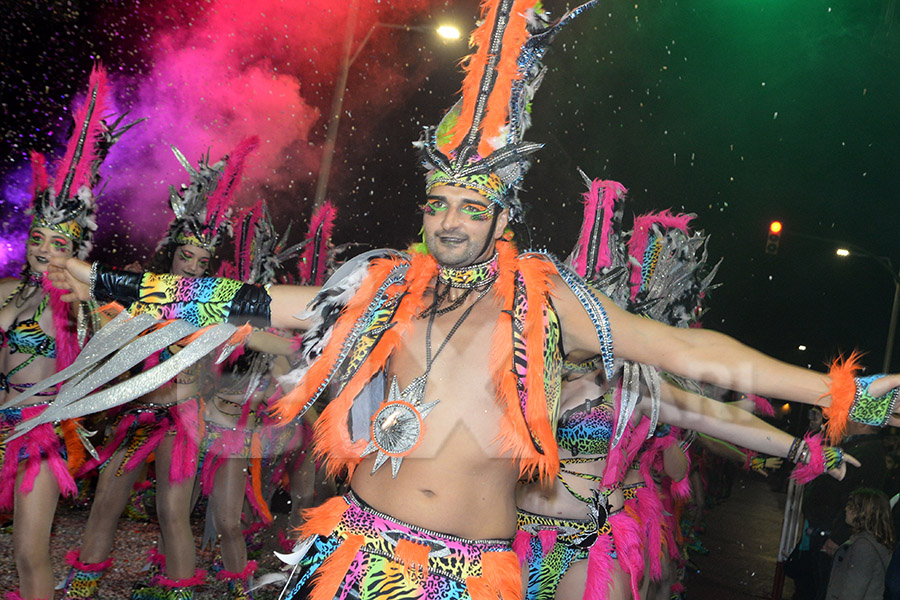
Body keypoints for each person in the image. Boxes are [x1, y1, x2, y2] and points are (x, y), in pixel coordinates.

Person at [43, 2, 900, 599]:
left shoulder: (544, 306)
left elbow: (687, 356)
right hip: (353, 551)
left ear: (501, 216)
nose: (450, 219)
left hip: (471, 573)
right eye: (438, 202)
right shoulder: (376, 288)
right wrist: (109, 282)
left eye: (471, 206)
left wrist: (834, 393)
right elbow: (251, 301)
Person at [60, 137, 258, 600]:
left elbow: (194, 385)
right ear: (170, 252)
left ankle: (180, 592)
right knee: (107, 498)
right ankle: (82, 586)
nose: (190, 268)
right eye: (185, 256)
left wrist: (160, 399)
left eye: (201, 262)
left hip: (179, 422)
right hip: (138, 416)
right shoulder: (142, 297)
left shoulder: (207, 311)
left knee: (172, 513)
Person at [0, 65, 132, 600]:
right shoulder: (6, 288)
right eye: (37, 236)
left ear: (75, 250)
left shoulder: (79, 302)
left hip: (40, 431)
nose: (42, 249)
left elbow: (130, 335)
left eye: (58, 243)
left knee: (30, 553)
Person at [825, 488, 893, 600]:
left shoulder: (864, 547)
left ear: (863, 513)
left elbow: (853, 591)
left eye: (851, 506)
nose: (846, 509)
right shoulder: (871, 542)